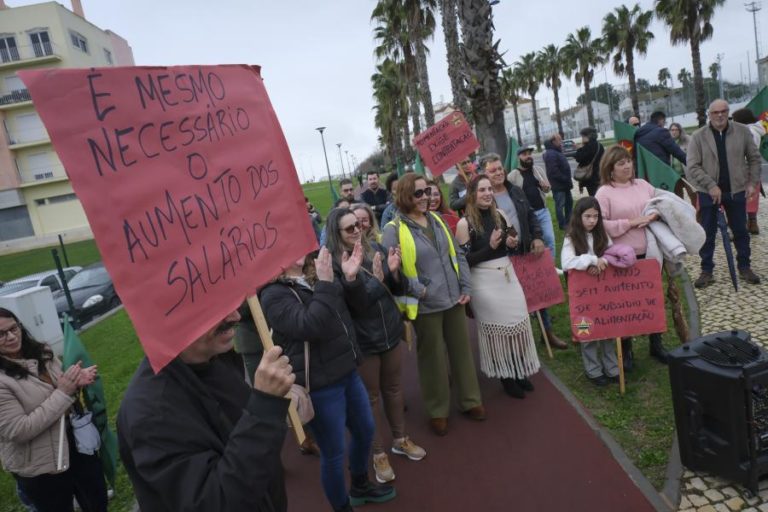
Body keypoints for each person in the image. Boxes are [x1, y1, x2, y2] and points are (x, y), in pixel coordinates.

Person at [260, 247, 396, 511]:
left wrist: (351, 279)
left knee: (365, 430)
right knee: (334, 453)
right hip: (320, 386)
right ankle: (341, 506)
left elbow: (357, 307)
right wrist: (324, 284)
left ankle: (359, 484)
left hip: (346, 370)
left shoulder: (315, 275)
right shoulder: (272, 294)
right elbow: (309, 325)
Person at [118, 309, 292, 511]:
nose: (235, 317)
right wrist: (264, 407)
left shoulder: (214, 361)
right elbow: (214, 501)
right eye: (216, 309)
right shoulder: (150, 413)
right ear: (171, 321)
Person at [325, 209, 426, 485]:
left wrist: (393, 273)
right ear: (337, 233)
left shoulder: (375, 247)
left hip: (389, 331)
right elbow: (355, 306)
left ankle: (400, 439)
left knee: (394, 388)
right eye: (349, 228)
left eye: (358, 224)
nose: (357, 230)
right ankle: (378, 453)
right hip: (364, 340)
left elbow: (397, 287)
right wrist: (370, 281)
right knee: (370, 399)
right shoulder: (334, 265)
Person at [381, 173, 484, 437]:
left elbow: (457, 253)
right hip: (426, 305)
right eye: (419, 193)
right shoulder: (394, 230)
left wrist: (465, 286)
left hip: (454, 299)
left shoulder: (436, 219)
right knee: (432, 358)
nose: (426, 197)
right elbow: (392, 270)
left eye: (427, 191)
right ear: (405, 196)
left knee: (462, 352)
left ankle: (470, 400)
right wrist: (420, 290)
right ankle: (438, 410)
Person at [0, 308, 105, 512]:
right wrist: (64, 391)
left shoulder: (43, 353)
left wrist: (76, 381)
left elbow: (61, 388)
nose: (11, 337)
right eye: (1, 334)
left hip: (77, 444)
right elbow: (17, 430)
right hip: (42, 467)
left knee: (97, 502)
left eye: (14, 328)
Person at [455, 176, 540, 398]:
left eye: (490, 189)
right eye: (482, 189)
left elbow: (512, 234)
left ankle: (519, 369)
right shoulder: (465, 225)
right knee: (500, 331)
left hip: (508, 276)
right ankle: (506, 375)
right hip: (484, 283)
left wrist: (511, 241)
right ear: (472, 195)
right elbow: (464, 262)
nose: (487, 193)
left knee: (518, 324)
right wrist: (491, 247)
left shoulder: (499, 214)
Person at [480, 153, 568, 350]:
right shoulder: (483, 198)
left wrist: (537, 237)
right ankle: (522, 338)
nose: (498, 173)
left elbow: (530, 215)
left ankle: (547, 333)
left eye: (500, 168)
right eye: (492, 170)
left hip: (525, 249)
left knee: (539, 293)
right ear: (484, 173)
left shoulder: (516, 191)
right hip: (502, 257)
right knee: (514, 300)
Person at [595, 145, 669, 368]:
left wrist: (656, 214)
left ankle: (656, 344)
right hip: (622, 257)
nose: (627, 166)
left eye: (628, 161)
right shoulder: (604, 193)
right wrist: (630, 223)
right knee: (626, 303)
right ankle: (626, 350)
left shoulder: (643, 185)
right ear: (610, 168)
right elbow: (599, 223)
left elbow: (660, 203)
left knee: (652, 298)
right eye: (621, 163)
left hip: (650, 251)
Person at [686, 99, 762, 288]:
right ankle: (706, 270)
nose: (719, 115)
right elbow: (693, 166)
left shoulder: (742, 132)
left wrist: (752, 183)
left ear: (728, 112)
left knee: (741, 230)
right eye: (715, 112)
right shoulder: (698, 136)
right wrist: (710, 185)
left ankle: (744, 266)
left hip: (736, 190)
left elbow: (754, 159)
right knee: (707, 232)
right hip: (707, 192)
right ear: (709, 115)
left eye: (723, 111)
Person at [561, 198, 620, 386]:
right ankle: (593, 370)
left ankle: (612, 368)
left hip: (603, 293)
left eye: (595, 216)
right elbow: (567, 262)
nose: (592, 221)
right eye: (587, 216)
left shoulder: (602, 235)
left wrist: (603, 263)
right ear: (579, 217)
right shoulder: (571, 238)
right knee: (586, 330)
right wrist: (591, 260)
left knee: (607, 328)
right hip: (584, 296)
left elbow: (612, 254)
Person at [508, 146, 557, 262]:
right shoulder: (512, 176)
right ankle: (537, 267)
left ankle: (551, 266)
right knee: (531, 243)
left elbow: (547, 189)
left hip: (543, 211)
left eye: (529, 153)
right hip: (527, 216)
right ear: (518, 157)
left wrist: (546, 187)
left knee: (549, 239)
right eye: (524, 154)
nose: (528, 156)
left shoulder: (538, 170)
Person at [732, 108, 765, 235]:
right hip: (753, 168)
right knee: (752, 196)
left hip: (742, 167)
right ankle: (753, 223)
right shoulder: (756, 130)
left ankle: (744, 226)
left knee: (740, 196)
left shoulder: (746, 131)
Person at [543, 133, 574, 230]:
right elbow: (553, 171)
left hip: (564, 184)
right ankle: (562, 224)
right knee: (560, 205)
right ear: (553, 141)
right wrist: (564, 178)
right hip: (559, 185)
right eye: (559, 140)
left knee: (569, 202)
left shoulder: (556, 151)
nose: (561, 142)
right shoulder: (551, 153)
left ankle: (569, 222)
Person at [668, 123, 697, 207]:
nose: (673, 132)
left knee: (693, 194)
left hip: (687, 174)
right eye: (672, 130)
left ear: (680, 131)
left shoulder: (687, 140)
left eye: (676, 130)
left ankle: (698, 217)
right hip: (675, 175)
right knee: (678, 198)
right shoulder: (668, 142)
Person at [574, 127, 604, 196]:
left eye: (583, 136)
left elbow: (579, 158)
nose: (582, 138)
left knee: (594, 197)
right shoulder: (599, 145)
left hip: (590, 177)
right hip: (600, 175)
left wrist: (579, 149)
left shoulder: (588, 146)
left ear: (588, 136)